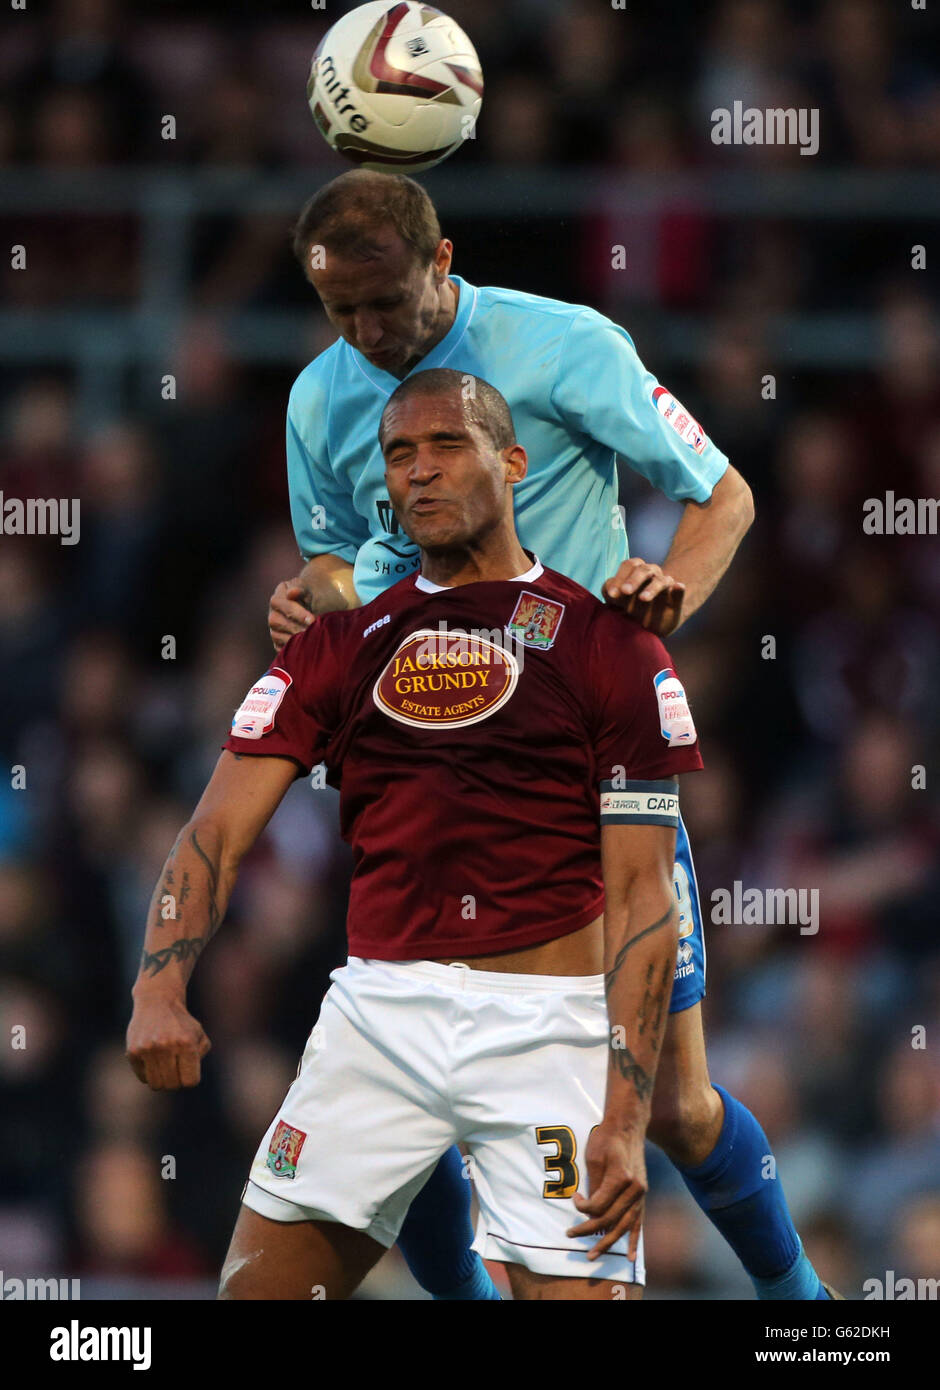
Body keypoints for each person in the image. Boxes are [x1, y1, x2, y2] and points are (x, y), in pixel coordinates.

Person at [265, 171, 837, 1302]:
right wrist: (313, 596)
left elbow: (723, 495)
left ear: (444, 263)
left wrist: (663, 594)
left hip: (589, 770)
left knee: (672, 1106)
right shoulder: (316, 402)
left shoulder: (568, 344)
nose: (368, 336)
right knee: (407, 1108)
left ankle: (803, 1306)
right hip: (422, 781)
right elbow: (355, 558)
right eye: (342, 315)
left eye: (387, 304)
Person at [126, 371, 703, 1300]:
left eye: (447, 447)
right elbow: (215, 832)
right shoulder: (337, 645)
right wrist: (160, 986)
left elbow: (646, 897)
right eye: (401, 455)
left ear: (513, 463)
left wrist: (626, 1115)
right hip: (379, 1017)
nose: (420, 473)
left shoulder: (613, 646)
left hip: (547, 1029)